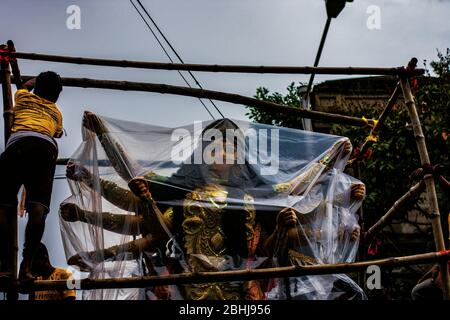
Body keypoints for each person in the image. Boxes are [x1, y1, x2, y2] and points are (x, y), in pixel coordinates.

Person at [62, 117, 364, 300]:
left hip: (242, 292)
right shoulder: (182, 196)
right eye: (216, 147)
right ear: (202, 155)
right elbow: (134, 181)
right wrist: (102, 137)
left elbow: (296, 190)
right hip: (187, 287)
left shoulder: (254, 195)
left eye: (231, 148)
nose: (224, 153)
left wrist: (331, 161)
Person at [0, 71, 63, 282]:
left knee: (4, 204)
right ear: (56, 95)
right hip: (46, 149)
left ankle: (5, 267)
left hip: (19, 143)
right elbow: (58, 133)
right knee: (38, 208)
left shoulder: (23, 97)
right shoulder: (56, 112)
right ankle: (26, 268)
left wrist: (32, 81)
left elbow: (24, 85)